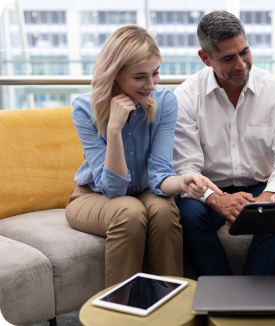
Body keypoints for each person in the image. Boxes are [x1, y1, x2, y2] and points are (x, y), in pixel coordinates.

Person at [66, 25, 222, 288]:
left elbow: (160, 173)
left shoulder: (165, 101)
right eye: (140, 77)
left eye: (156, 73)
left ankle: (171, 307)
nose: (151, 85)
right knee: (129, 211)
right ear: (115, 75)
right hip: (94, 196)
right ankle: (121, 312)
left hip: (145, 190)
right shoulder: (84, 109)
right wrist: (114, 128)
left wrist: (182, 181)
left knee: (163, 209)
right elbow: (114, 190)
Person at [173, 11, 275, 277]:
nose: (241, 64)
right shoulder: (186, 97)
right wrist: (215, 199)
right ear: (205, 58)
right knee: (187, 215)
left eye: (244, 52)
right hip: (209, 186)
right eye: (227, 58)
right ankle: (221, 296)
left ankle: (253, 298)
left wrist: (269, 197)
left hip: (262, 185)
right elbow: (185, 164)